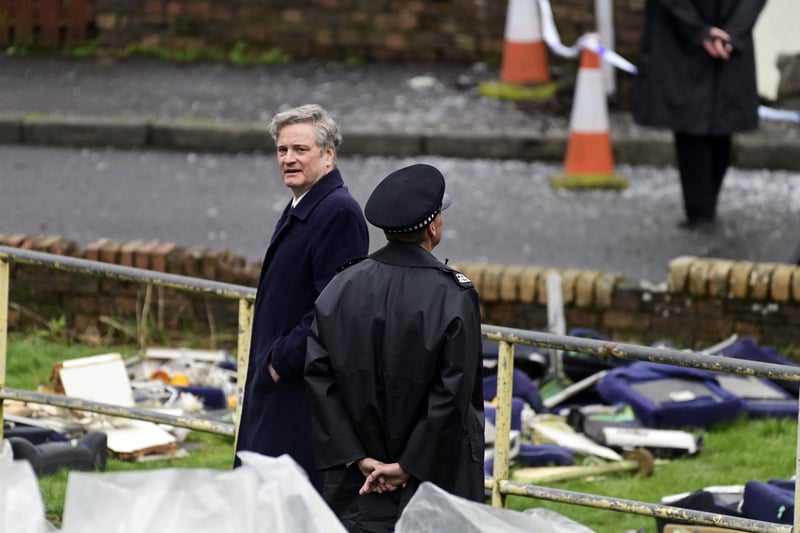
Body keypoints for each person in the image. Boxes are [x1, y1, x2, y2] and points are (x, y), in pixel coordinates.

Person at [305, 163, 485, 532]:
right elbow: (453, 392)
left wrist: (357, 456)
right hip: (434, 479)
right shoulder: (452, 295)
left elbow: (319, 378)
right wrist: (409, 465)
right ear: (433, 227)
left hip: (358, 480)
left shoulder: (342, 286)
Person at [234, 104, 369, 492]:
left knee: (283, 505)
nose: (289, 159)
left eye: (300, 150)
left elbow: (336, 308)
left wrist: (281, 361)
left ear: (328, 155)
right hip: (278, 388)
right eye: (282, 150)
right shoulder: (305, 204)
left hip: (297, 394)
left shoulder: (338, 212)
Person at [632, 0, 766, 229]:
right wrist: (729, 33)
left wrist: (708, 33)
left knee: (707, 122)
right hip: (706, 38)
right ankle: (702, 209)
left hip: (695, 37)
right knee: (705, 121)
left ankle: (702, 211)